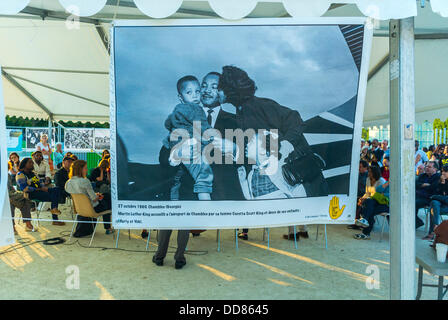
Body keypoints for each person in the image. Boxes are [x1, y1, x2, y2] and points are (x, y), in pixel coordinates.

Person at [217, 66, 328, 198]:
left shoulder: (259, 105)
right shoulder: (241, 112)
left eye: (219, 89)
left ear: (230, 89)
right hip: (283, 177)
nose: (217, 92)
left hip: (298, 176)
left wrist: (285, 144)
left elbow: (295, 120)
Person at [236, 132, 309, 240]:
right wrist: (242, 181)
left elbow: (295, 190)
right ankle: (298, 232)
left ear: (262, 151)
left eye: (251, 142)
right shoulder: (251, 174)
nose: (246, 145)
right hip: (263, 211)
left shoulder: (277, 167)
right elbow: (250, 198)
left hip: (278, 210)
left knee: (291, 203)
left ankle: (297, 231)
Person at [65, 160, 113, 236]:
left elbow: (81, 195)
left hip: (79, 209)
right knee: (107, 198)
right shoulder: (85, 181)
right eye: (85, 168)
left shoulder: (68, 182)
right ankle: (108, 228)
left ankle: (106, 228)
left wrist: (95, 195)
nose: (87, 170)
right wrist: (98, 196)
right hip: (92, 208)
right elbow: (94, 199)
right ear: (80, 169)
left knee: (105, 197)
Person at [16, 158, 63, 226]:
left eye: (32, 162)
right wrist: (39, 189)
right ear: (24, 164)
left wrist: (44, 187)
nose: (32, 164)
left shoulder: (33, 173)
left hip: (39, 191)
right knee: (54, 196)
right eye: (30, 163)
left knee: (56, 189)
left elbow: (39, 183)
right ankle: (55, 217)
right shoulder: (20, 174)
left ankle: (54, 211)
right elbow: (25, 188)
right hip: (30, 194)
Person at [424, 165, 448, 240]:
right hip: (439, 205)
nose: (443, 173)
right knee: (434, 203)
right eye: (442, 171)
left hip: (446, 206)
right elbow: (438, 192)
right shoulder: (441, 180)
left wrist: (436, 197)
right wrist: (442, 183)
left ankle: (432, 232)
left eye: (446, 172)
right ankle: (436, 226)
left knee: (433, 208)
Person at [416, 161, 441, 230]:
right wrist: (423, 185)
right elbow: (415, 184)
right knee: (406, 202)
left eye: (429, 167)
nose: (427, 168)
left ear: (435, 169)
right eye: (426, 166)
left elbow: (432, 188)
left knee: (413, 203)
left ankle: (417, 222)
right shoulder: (422, 175)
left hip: (428, 198)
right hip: (418, 195)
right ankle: (417, 222)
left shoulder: (438, 177)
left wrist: (421, 186)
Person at [347, 160, 370, 230]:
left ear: (365, 168)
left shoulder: (368, 176)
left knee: (358, 203)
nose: (359, 168)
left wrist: (363, 197)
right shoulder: (358, 174)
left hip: (365, 196)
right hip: (356, 195)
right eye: (358, 167)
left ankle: (357, 223)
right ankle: (354, 221)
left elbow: (369, 190)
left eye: (360, 167)